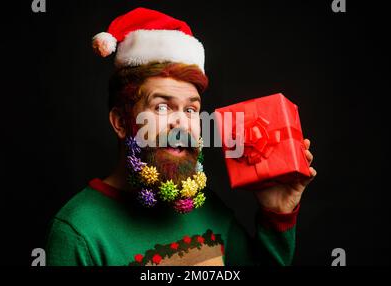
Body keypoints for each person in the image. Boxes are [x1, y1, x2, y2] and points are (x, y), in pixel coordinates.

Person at [45, 7, 316, 266]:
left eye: (191, 109)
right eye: (161, 106)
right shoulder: (79, 232)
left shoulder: (208, 208)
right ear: (120, 122)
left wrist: (278, 212)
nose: (182, 123)